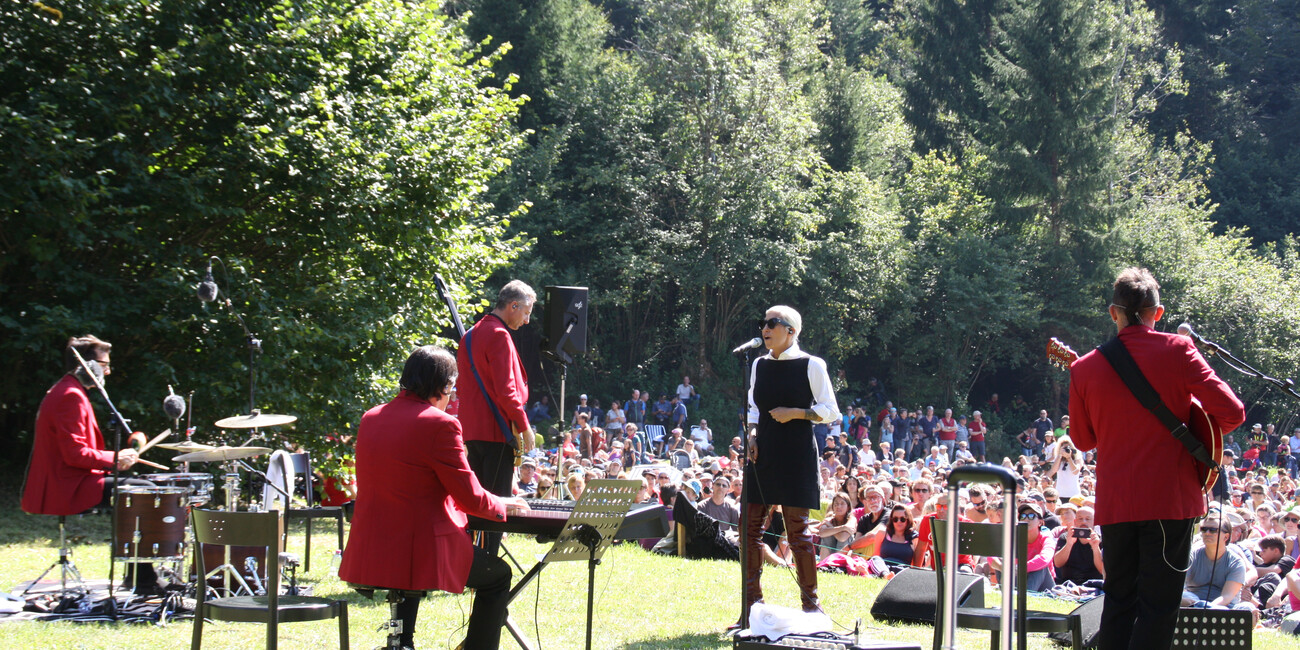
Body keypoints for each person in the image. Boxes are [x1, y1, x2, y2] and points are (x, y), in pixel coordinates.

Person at [1069, 267, 1246, 649]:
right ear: (1158, 313)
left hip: (1117, 502)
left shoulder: (1083, 368)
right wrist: (1194, 418)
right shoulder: (1180, 350)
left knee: (1117, 600)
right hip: (1171, 499)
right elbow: (1233, 413)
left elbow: (1083, 441)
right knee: (1159, 605)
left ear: (1113, 312)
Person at [340, 345, 531, 650]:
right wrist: (502, 503)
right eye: (453, 388)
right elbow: (470, 497)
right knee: (498, 575)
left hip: (373, 546)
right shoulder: (440, 424)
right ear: (443, 387)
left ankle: (403, 641)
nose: (453, 396)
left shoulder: (371, 417)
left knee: (406, 573)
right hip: (421, 548)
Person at [21, 335, 159, 592]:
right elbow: (74, 455)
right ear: (84, 365)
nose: (108, 370)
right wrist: (115, 459)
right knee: (142, 491)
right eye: (103, 364)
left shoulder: (71, 391)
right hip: (66, 484)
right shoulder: (69, 396)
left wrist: (115, 459)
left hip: (74, 478)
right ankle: (143, 580)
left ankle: (140, 576)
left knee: (141, 487)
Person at [738, 305, 840, 625]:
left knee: (798, 535)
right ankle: (751, 611)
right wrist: (752, 436)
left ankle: (811, 610)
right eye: (763, 323)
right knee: (749, 531)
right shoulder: (758, 364)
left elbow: (830, 411)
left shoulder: (813, 364)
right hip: (763, 452)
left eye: (772, 323)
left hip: (796, 454)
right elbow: (754, 408)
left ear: (791, 331)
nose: (764, 328)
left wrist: (795, 412)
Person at [456, 280, 535, 555]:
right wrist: (524, 426)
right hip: (496, 430)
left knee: (474, 502)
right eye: (526, 312)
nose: (526, 320)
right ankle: (487, 562)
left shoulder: (469, 334)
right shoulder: (499, 335)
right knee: (496, 502)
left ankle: (468, 559)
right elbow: (506, 390)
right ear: (513, 306)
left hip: (472, 432)